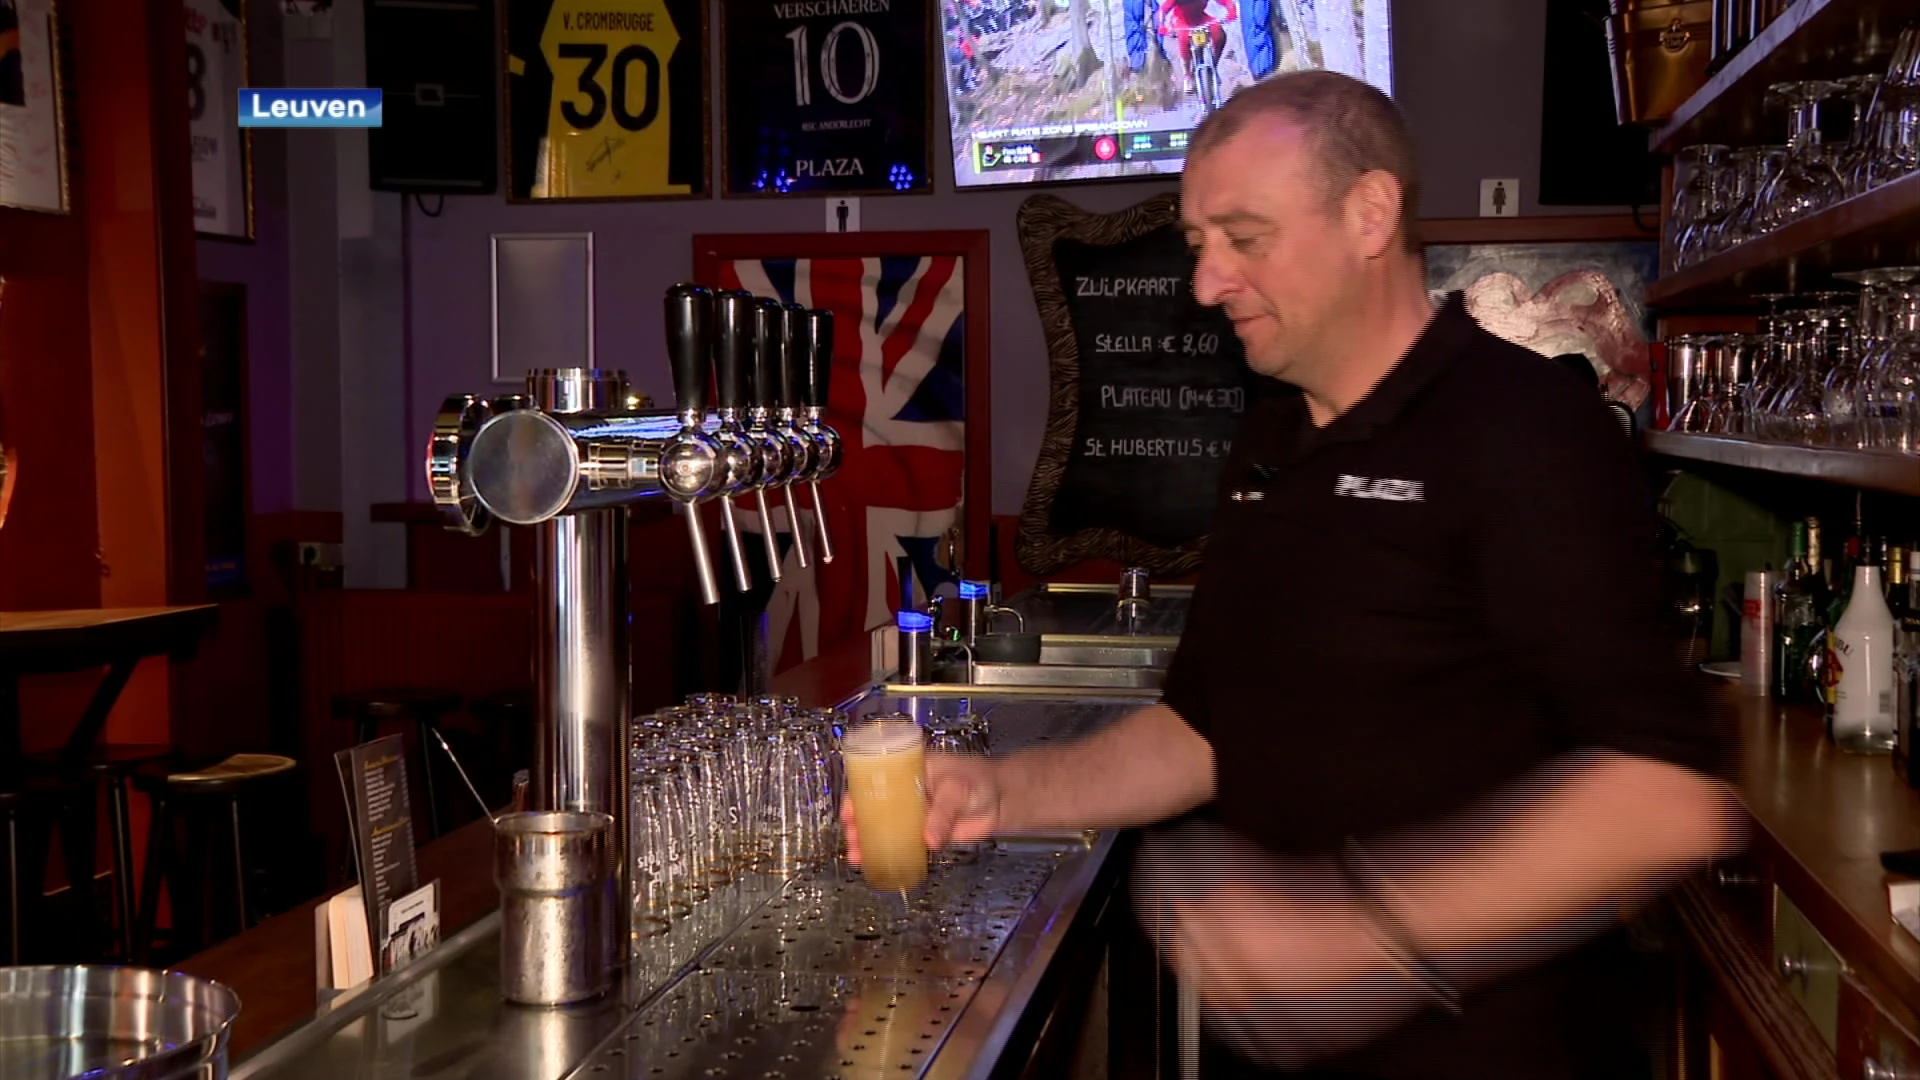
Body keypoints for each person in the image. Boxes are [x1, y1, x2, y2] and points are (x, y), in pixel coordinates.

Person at [846, 69, 1740, 1079]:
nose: (1206, 281)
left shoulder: (1524, 428)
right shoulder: (1274, 437)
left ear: (1369, 214)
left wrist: (1352, 937)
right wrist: (1003, 794)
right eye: (1198, 245)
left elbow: (1668, 792)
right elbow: (1208, 732)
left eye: (1244, 237)